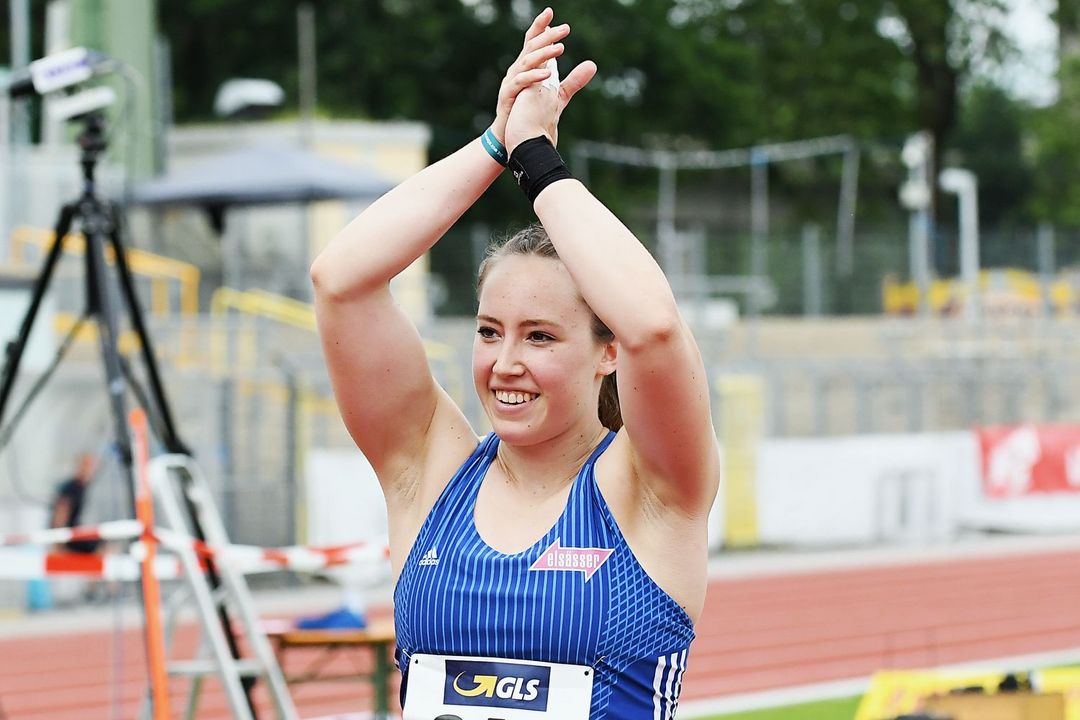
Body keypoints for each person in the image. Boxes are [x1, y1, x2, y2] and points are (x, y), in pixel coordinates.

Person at [311, 8, 719, 718]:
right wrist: (497, 140)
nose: (505, 363)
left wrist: (539, 162)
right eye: (490, 331)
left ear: (608, 351)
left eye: (540, 337)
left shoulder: (651, 486)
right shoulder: (428, 471)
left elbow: (655, 326)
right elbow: (340, 281)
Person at [49, 452, 100, 554]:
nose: (90, 469)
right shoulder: (70, 488)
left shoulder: (83, 487)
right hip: (67, 536)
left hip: (73, 532)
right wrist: (58, 545)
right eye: (86, 465)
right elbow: (60, 517)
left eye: (92, 466)